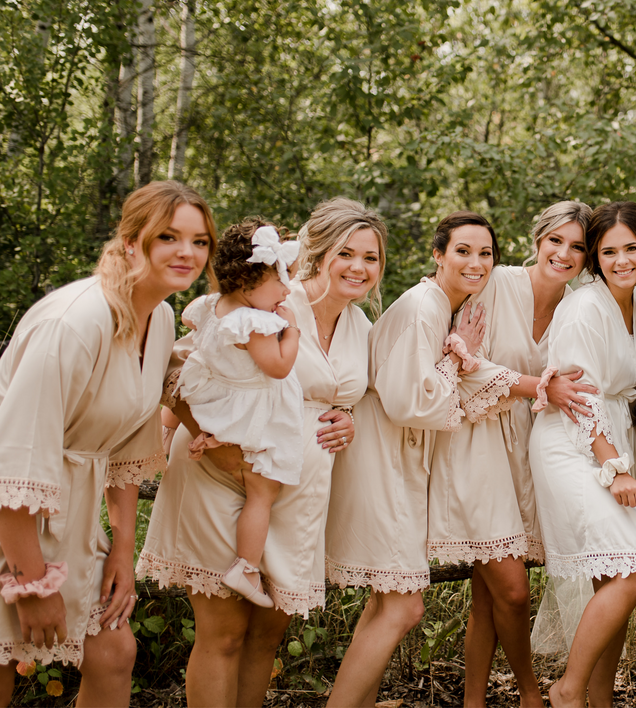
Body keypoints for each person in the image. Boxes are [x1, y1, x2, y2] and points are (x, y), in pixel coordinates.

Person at [140, 198, 383, 708]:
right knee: (223, 633)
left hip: (299, 487)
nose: (359, 267)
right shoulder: (265, 298)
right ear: (318, 252)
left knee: (267, 635)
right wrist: (216, 447)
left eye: (371, 257)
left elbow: (361, 396)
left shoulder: (361, 325)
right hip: (223, 469)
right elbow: (177, 372)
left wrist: (350, 418)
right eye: (347, 253)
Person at [0, 181, 216, 707]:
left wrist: (121, 548)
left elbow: (126, 451)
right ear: (130, 242)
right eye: (168, 236)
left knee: (113, 652)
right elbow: (12, 464)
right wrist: (32, 584)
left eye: (199, 240)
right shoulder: (72, 324)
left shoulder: (160, 317)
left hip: (75, 520)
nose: (187, 252)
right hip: (14, 520)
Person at [326, 211, 533, 708]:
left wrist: (462, 355)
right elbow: (409, 403)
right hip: (380, 457)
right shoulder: (424, 306)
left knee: (385, 599)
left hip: (395, 458)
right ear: (437, 254)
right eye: (463, 250)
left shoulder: (445, 307)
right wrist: (461, 361)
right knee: (403, 604)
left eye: (486, 253)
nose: (476, 262)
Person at [453, 201, 600, 707]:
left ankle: (474, 700)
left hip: (533, 453)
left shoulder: (581, 306)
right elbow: (460, 364)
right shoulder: (495, 284)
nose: (564, 253)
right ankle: (531, 693)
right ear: (537, 239)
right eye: (555, 240)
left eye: (578, 247)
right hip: (478, 444)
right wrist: (540, 385)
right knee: (513, 591)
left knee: (487, 593)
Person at [528, 201, 636, 708]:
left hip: (615, 438)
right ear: (596, 260)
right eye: (609, 252)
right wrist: (615, 467)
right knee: (632, 565)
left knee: (612, 578)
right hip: (572, 441)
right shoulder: (584, 306)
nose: (622, 260)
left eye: (632, 248)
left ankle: (597, 700)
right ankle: (567, 690)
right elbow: (580, 395)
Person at [175, 220, 305, 607]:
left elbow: (187, 319)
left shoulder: (209, 305)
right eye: (281, 281)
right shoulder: (258, 322)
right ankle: (245, 566)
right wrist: (292, 330)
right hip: (250, 408)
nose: (287, 291)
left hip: (215, 399)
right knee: (263, 492)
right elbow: (278, 368)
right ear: (248, 282)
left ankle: (206, 434)